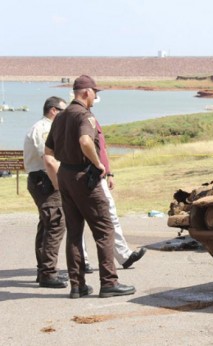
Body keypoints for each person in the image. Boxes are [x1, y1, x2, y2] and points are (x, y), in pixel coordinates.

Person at [44, 75, 135, 299]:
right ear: (86, 92)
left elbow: (49, 152)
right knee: (104, 229)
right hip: (84, 176)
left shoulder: (61, 117)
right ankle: (109, 282)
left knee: (74, 232)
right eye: (95, 92)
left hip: (65, 174)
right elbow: (86, 141)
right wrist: (99, 164)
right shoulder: (84, 115)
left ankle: (77, 285)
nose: (96, 97)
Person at [82, 118, 146, 272]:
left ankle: (124, 256)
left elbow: (102, 149)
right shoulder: (78, 119)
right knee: (80, 220)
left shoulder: (93, 120)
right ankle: (82, 261)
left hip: (100, 175)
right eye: (94, 93)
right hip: (87, 175)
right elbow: (84, 144)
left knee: (110, 216)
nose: (95, 97)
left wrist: (109, 173)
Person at [23, 96, 68, 288]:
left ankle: (44, 270)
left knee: (46, 224)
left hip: (43, 178)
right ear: (53, 110)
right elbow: (49, 160)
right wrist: (60, 184)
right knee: (56, 223)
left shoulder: (47, 128)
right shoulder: (44, 129)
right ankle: (48, 273)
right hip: (45, 179)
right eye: (63, 112)